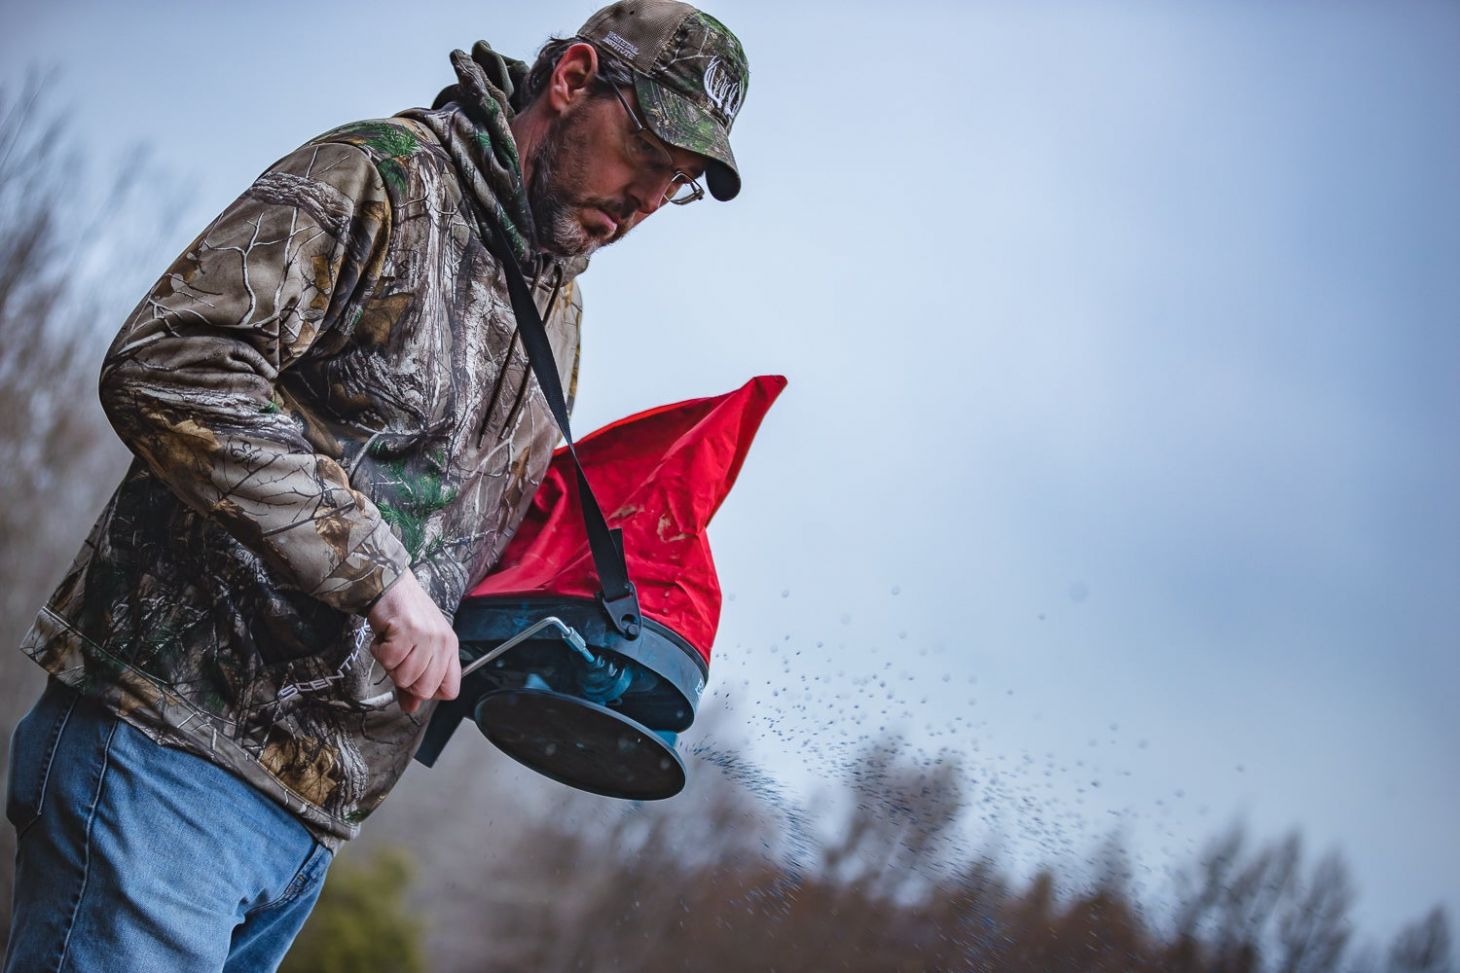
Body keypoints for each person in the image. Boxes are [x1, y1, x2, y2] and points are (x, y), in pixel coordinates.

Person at [2, 2, 749, 970]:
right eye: (647, 152)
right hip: (168, 745)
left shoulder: (559, 308)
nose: (650, 198)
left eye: (678, 184)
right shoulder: (383, 179)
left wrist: (569, 642)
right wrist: (376, 577)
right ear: (570, 81)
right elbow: (171, 364)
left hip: (310, 814)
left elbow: (448, 536)